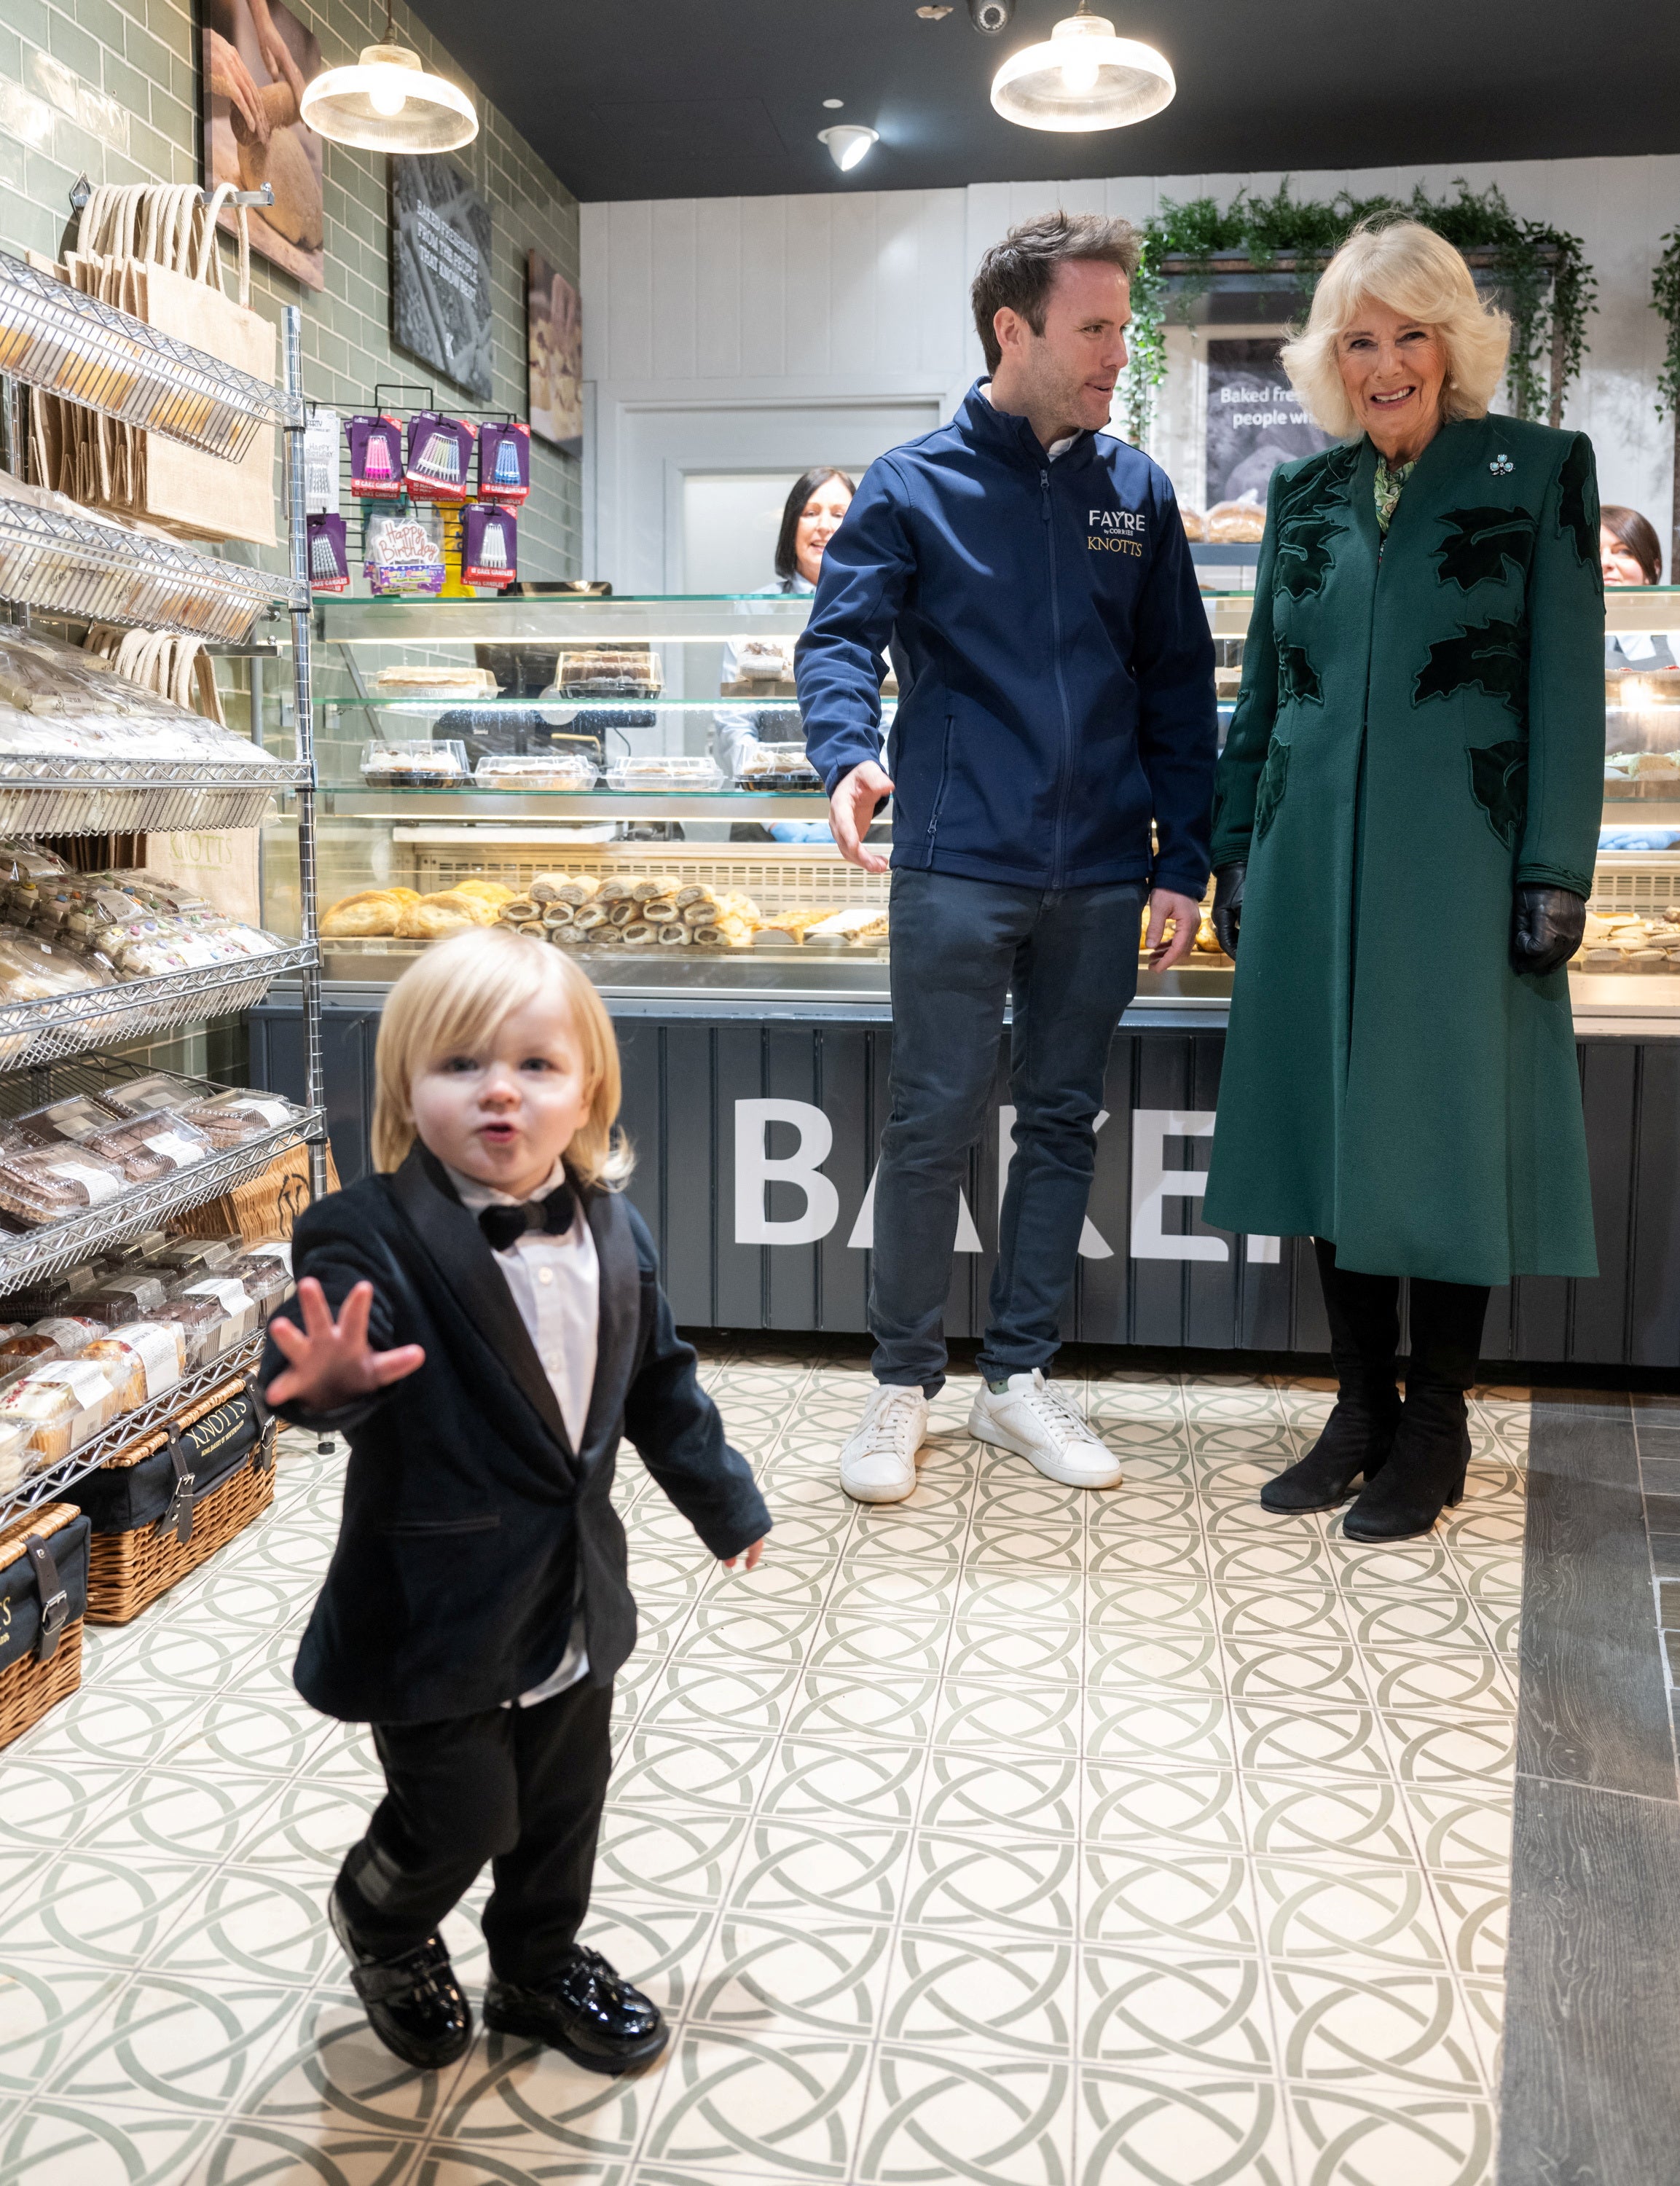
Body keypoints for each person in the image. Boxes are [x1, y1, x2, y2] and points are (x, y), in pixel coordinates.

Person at [261, 929, 769, 2074]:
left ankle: (537, 1972)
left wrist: (726, 1503)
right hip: (433, 1604)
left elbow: (657, 1384)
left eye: (537, 1064)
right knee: (462, 1814)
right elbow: (326, 1348)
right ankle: (384, 1926)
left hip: (572, 1595)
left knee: (561, 1811)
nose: (501, 1089)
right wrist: (322, 1388)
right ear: (404, 1087)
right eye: (460, 1065)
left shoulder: (614, 1226)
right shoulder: (364, 1231)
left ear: (589, 1087)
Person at [795, 210, 1217, 1505]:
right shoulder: (909, 483)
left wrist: (1181, 859)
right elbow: (836, 641)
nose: (1115, 353)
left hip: (1099, 869)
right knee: (929, 1125)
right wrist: (845, 752)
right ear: (1012, 329)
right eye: (1094, 329)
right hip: (955, 861)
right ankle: (899, 1385)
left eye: (1121, 327)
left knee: (1060, 1125)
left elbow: (1179, 690)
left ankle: (1016, 1380)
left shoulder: (1132, 492)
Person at [1202, 220, 1604, 1541]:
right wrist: (1235, 846)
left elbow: (1564, 687)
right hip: (1312, 855)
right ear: (1330, 359)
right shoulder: (1304, 496)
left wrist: (1553, 866)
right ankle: (1359, 1406)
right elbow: (1265, 686)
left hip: (1464, 859)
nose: (1384, 365)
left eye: (1407, 335)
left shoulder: (1535, 472)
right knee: (1333, 1127)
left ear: (1454, 344)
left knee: (1444, 1131)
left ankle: (1437, 1420)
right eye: (1358, 341)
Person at [712, 467, 855, 791]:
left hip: (864, 809)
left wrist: (864, 798)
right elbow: (733, 721)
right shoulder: (754, 609)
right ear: (792, 525)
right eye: (810, 513)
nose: (824, 526)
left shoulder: (879, 604)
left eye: (839, 514)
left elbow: (891, 720)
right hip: (766, 804)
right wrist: (772, 815)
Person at [1600, 502, 1680, 670]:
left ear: (1653, 568)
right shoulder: (1563, 643)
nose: (1605, 563)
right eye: (1593, 553)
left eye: (1623, 551)